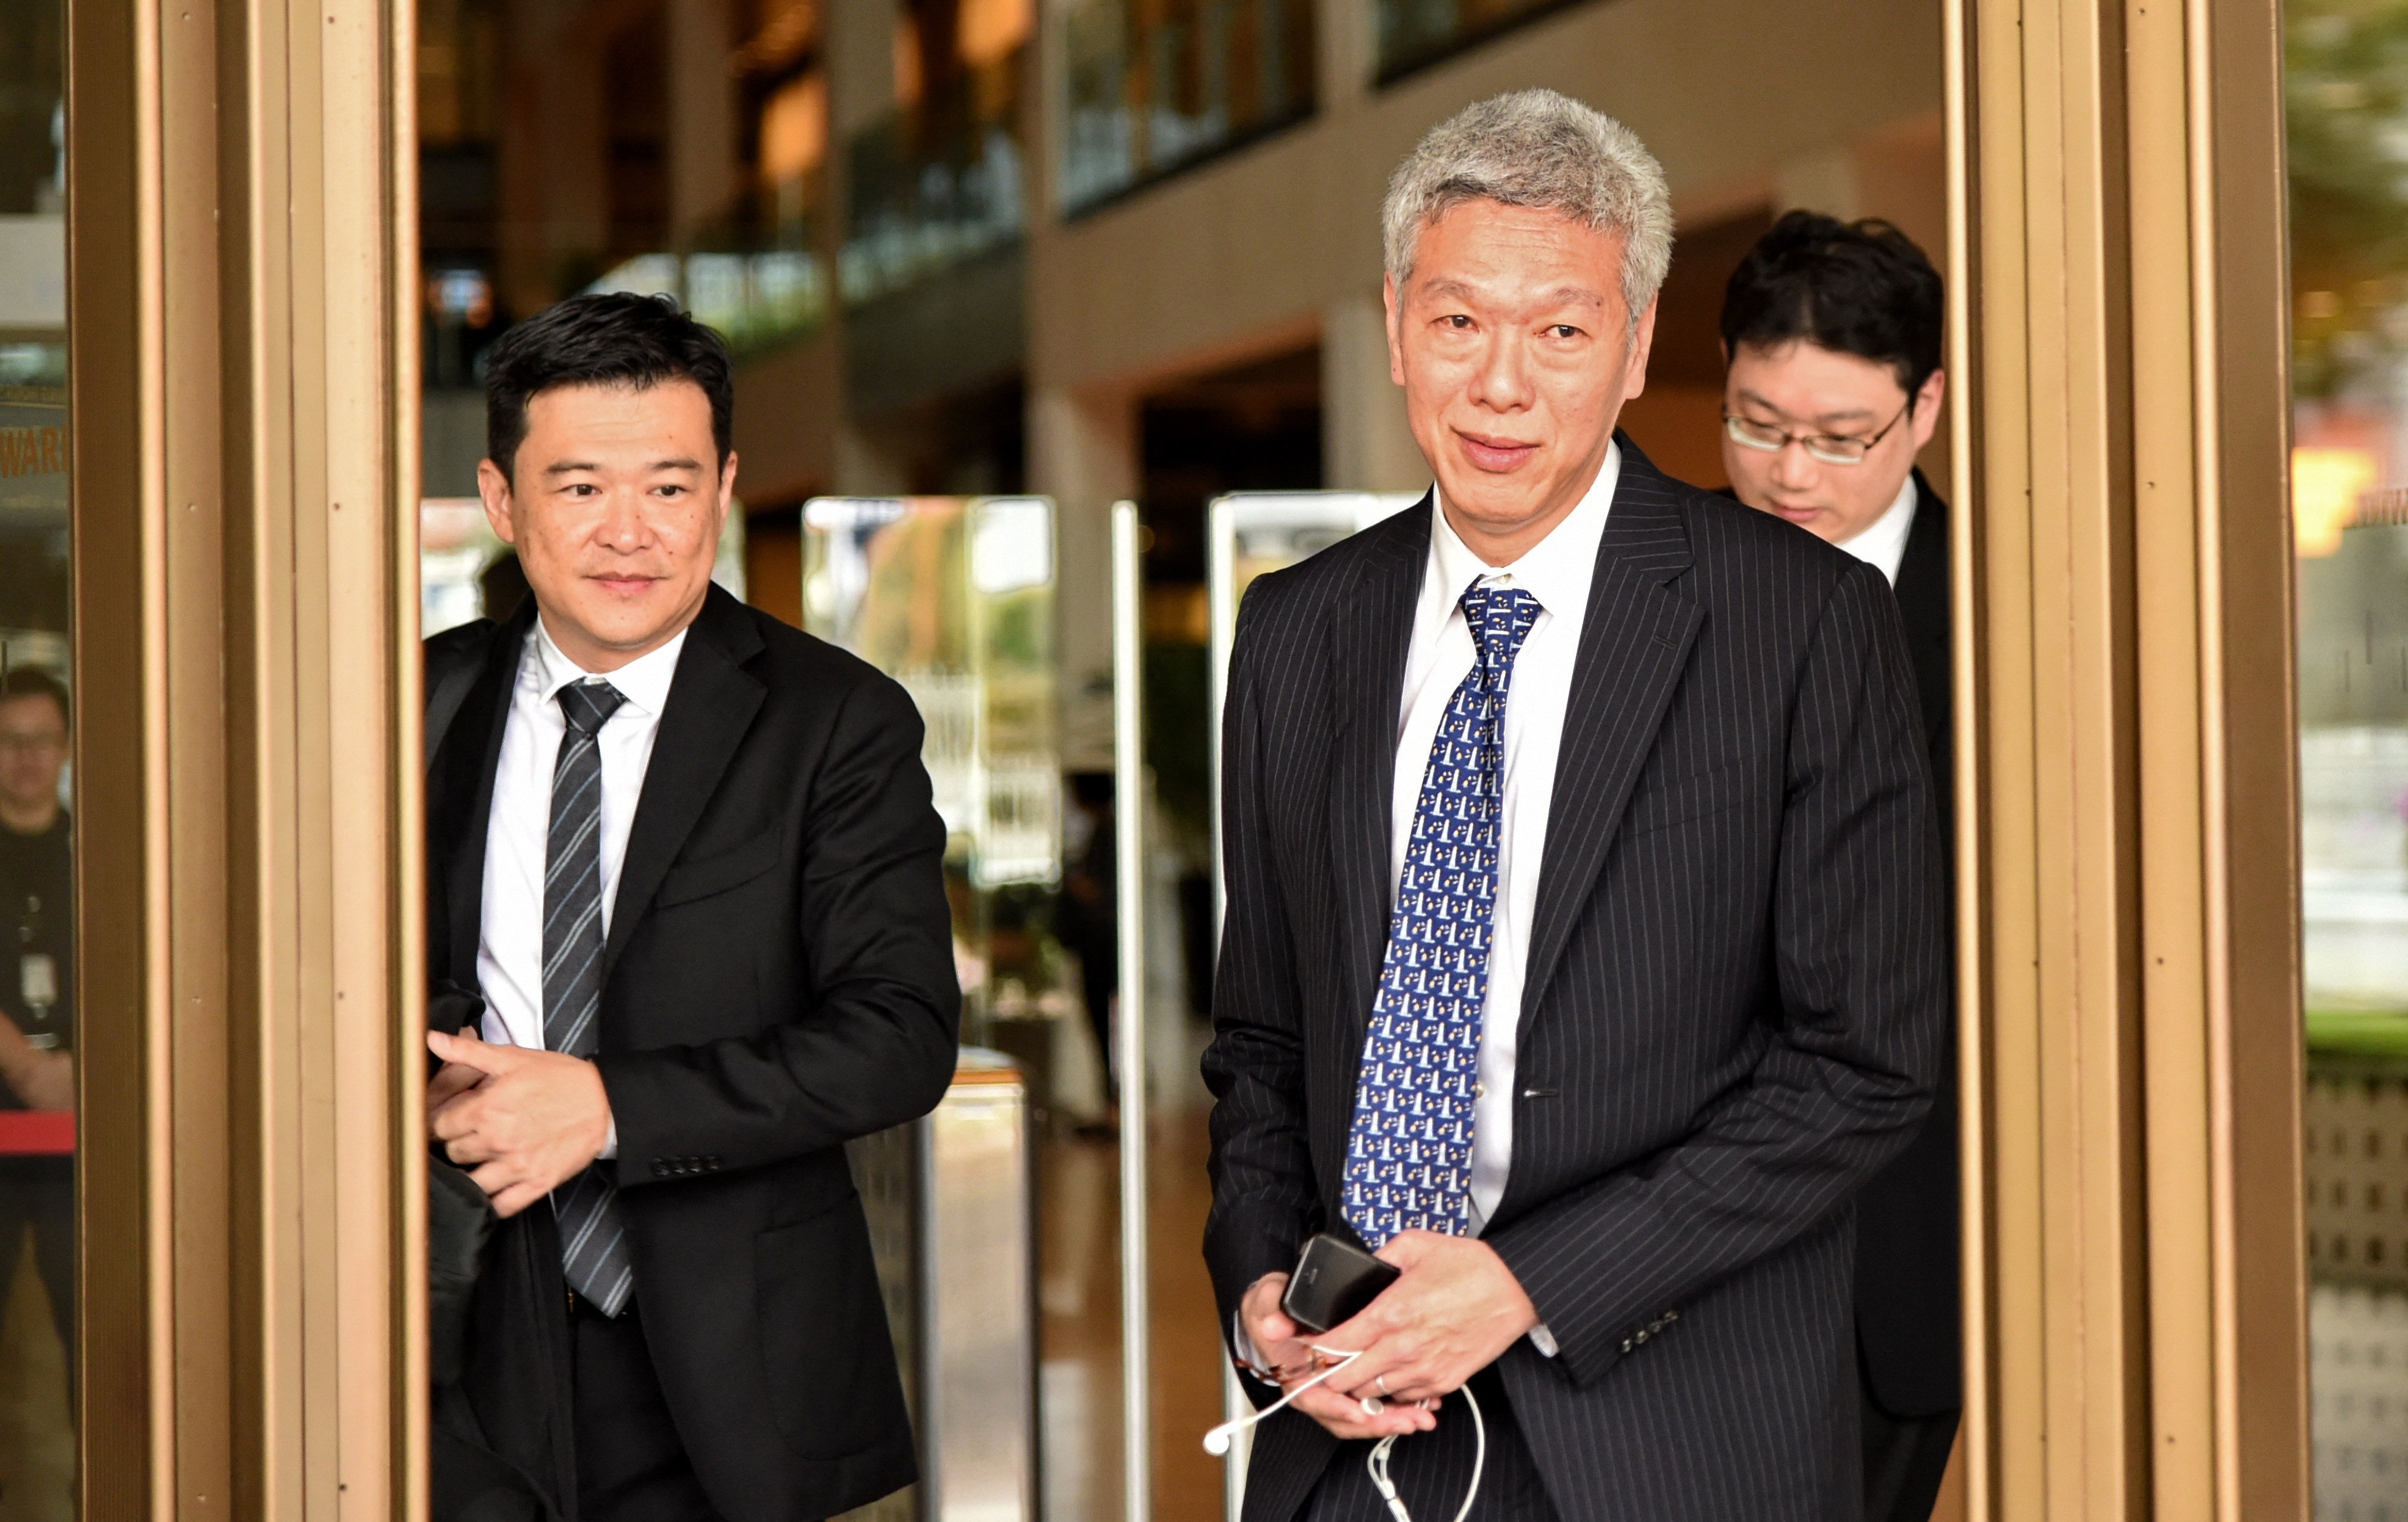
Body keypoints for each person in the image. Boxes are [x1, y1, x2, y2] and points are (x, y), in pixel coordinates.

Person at [1203, 90, 1948, 1521]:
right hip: (1348, 1422)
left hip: (1673, 1436)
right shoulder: (1297, 632)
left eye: (1559, 328)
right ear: (1394, 320)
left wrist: (1529, 1283)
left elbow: (1859, 1068)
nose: (1501, 384)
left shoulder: (1796, 623)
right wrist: (1260, 1289)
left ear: (1637, 345)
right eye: (1458, 321)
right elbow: (1262, 1047)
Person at [422, 292, 959, 1522]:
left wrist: (607, 1107)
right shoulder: (420, 702)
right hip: (453, 1334)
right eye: (578, 489)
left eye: (667, 488)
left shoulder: (835, 722)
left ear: (722, 488)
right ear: (502, 500)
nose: (629, 533)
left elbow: (898, 1035)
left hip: (726, 1374)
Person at [1717, 211, 1959, 1522]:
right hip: (1644, 1271)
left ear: (1924, 408)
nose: (1788, 475)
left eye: (1836, 437)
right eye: (1756, 424)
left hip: (1891, 1271)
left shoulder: (2006, 620)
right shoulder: (1643, 585)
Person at [0, 666, 74, 1365]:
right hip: (4, 1112)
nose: (26, 756)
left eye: (41, 739)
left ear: (68, 746)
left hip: (83, 1136)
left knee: (93, 1334)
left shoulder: (102, 854)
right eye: (9, 739)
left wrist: (80, 1072)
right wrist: (25, 1066)